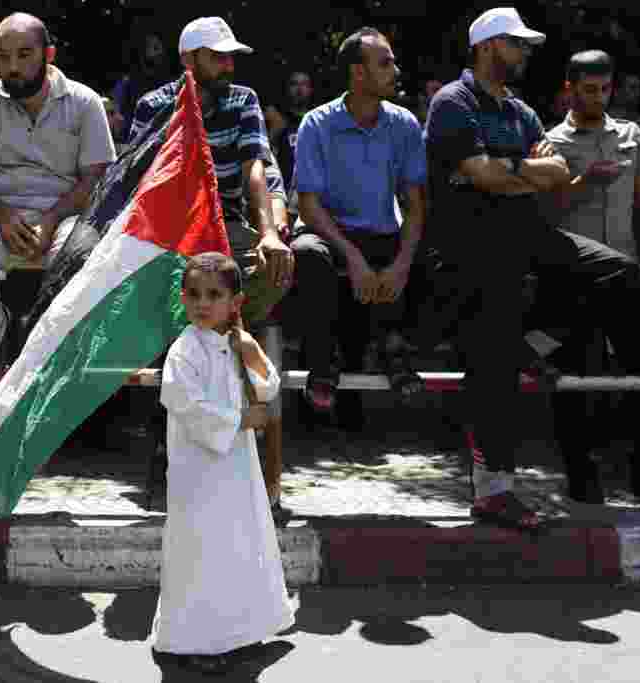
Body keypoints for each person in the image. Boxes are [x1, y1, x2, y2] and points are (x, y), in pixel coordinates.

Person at [424, 8, 640, 523]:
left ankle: (534, 344)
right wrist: (521, 172)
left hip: (527, 234)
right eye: (517, 45)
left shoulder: (522, 111)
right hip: (472, 248)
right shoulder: (453, 102)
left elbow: (549, 173)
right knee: (493, 361)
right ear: (489, 47)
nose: (526, 53)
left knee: (617, 273)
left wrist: (510, 172)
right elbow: (484, 174)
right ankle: (494, 490)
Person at [129, 16, 295, 515]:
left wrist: (268, 230)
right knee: (175, 296)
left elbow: (254, 169)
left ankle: (215, 333)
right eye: (216, 55)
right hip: (170, 230)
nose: (227, 64)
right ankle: (172, 445)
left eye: (229, 56)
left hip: (228, 229)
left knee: (275, 269)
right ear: (188, 60)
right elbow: (142, 180)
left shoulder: (242, 99)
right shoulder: (155, 106)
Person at [0, 12, 115, 375]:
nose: (13, 66)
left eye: (24, 54)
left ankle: (55, 351)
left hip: (68, 215)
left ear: (48, 55)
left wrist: (50, 220)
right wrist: (3, 217)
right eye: (3, 56)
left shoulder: (85, 101)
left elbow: (95, 180)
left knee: (88, 260)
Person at [153, 251, 294, 675]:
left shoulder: (232, 341)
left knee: (237, 544)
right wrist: (237, 421)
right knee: (200, 552)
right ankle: (191, 640)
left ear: (235, 301)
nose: (202, 304)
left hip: (236, 469)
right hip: (198, 473)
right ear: (182, 298)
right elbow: (182, 401)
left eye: (214, 295)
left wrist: (250, 352)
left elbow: (266, 388)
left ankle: (242, 631)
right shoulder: (184, 349)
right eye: (194, 294)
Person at [290, 27, 426, 417]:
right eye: (385, 63)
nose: (395, 70)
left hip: (381, 234)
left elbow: (415, 205)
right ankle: (323, 359)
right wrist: (351, 256)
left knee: (427, 254)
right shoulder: (317, 123)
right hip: (328, 233)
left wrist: (401, 265)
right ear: (358, 73)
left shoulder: (404, 124)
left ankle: (395, 349)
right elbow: (309, 206)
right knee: (307, 253)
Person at [546, 50, 640, 263]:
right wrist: (586, 181)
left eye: (605, 89)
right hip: (576, 268)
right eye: (590, 90)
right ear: (570, 89)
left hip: (625, 263)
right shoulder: (551, 143)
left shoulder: (631, 133)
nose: (599, 97)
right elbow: (546, 212)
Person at [112, 32, 171, 138]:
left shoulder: (168, 82)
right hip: (130, 137)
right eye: (149, 46)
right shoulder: (129, 79)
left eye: (157, 47)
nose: (157, 52)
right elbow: (118, 104)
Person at [264, 70, 314, 191]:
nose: (299, 89)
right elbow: (264, 159)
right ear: (287, 89)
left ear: (311, 89)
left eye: (304, 84)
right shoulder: (277, 119)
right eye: (294, 84)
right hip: (284, 192)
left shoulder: (318, 122)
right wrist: (274, 131)